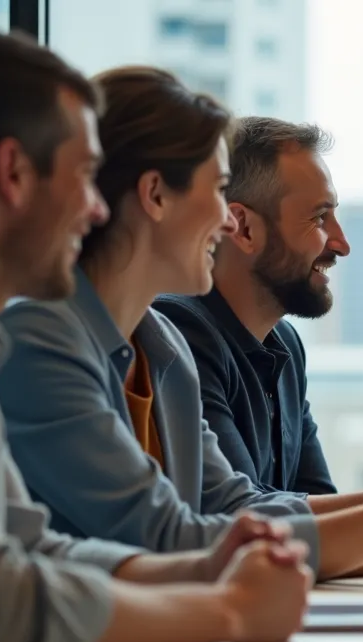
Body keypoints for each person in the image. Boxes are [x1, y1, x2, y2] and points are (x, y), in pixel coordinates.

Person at [0, 65, 363, 581]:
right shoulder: (40, 344)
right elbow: (170, 534)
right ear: (155, 195)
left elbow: (230, 504)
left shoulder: (162, 348)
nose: (225, 218)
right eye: (217, 190)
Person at [0, 28, 312, 642]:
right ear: (13, 173)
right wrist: (229, 610)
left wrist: (204, 568)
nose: (98, 208)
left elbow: (32, 548)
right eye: (83, 177)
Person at [150, 117, 344, 495]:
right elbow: (239, 512)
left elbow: (320, 501)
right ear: (243, 227)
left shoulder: (286, 344)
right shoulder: (180, 330)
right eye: (320, 218)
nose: (341, 244)